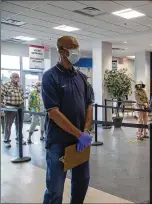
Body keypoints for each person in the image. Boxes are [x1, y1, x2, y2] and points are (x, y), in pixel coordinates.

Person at [42, 36, 93, 204]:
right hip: (58, 142)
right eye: (71, 46)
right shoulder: (50, 77)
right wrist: (79, 134)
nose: (75, 50)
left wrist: (85, 131)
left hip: (80, 142)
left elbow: (89, 105)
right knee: (55, 190)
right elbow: (54, 112)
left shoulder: (82, 78)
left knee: (82, 182)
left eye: (77, 46)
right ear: (61, 50)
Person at [1, 73, 26, 148]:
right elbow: (1, 95)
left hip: (20, 107)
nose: (17, 78)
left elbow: (22, 96)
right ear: (11, 77)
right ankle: (6, 140)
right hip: (10, 107)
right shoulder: (6, 85)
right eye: (15, 77)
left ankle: (19, 139)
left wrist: (22, 106)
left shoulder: (20, 86)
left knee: (20, 124)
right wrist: (2, 104)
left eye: (18, 77)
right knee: (8, 125)